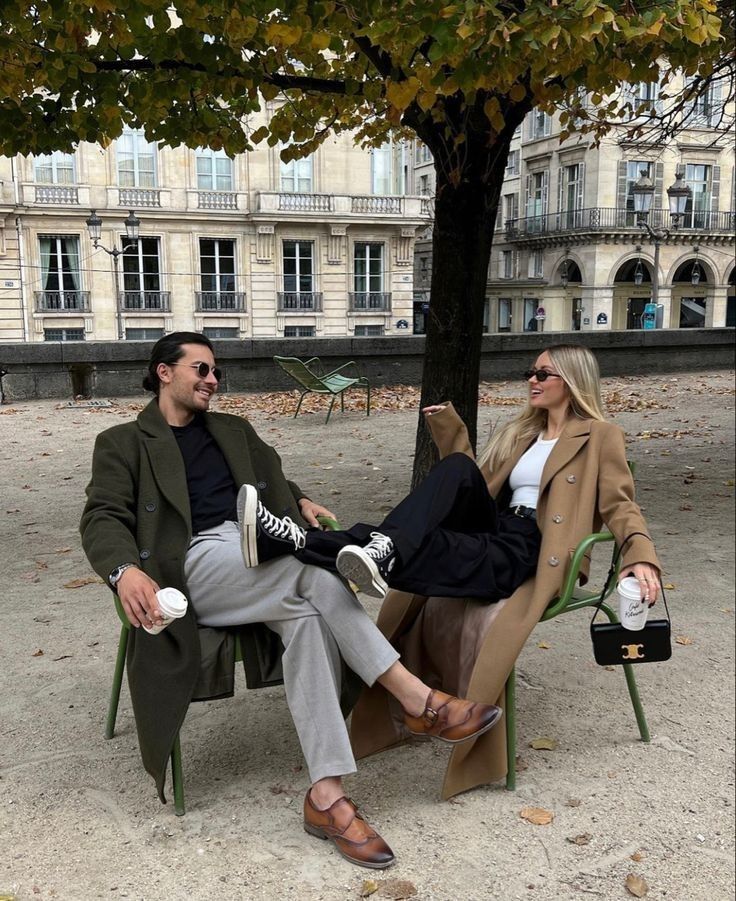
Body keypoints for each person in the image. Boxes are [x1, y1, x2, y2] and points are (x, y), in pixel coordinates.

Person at [79, 332, 503, 871]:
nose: (213, 380)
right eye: (202, 370)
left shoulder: (233, 429)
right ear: (165, 372)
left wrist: (298, 497)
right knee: (314, 569)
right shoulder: (123, 441)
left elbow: (269, 477)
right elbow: (100, 516)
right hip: (192, 563)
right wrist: (123, 572)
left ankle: (327, 797)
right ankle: (418, 700)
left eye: (216, 372)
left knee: (308, 613)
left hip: (258, 548)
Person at [238, 344, 661, 609]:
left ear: (571, 381)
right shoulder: (521, 434)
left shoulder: (601, 436)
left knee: (412, 543)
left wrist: (639, 556)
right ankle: (381, 545)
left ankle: (294, 540)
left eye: (542, 374)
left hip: (533, 545)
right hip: (494, 527)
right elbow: (470, 484)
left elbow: (620, 504)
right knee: (455, 471)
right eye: (530, 373)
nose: (531, 380)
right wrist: (450, 431)